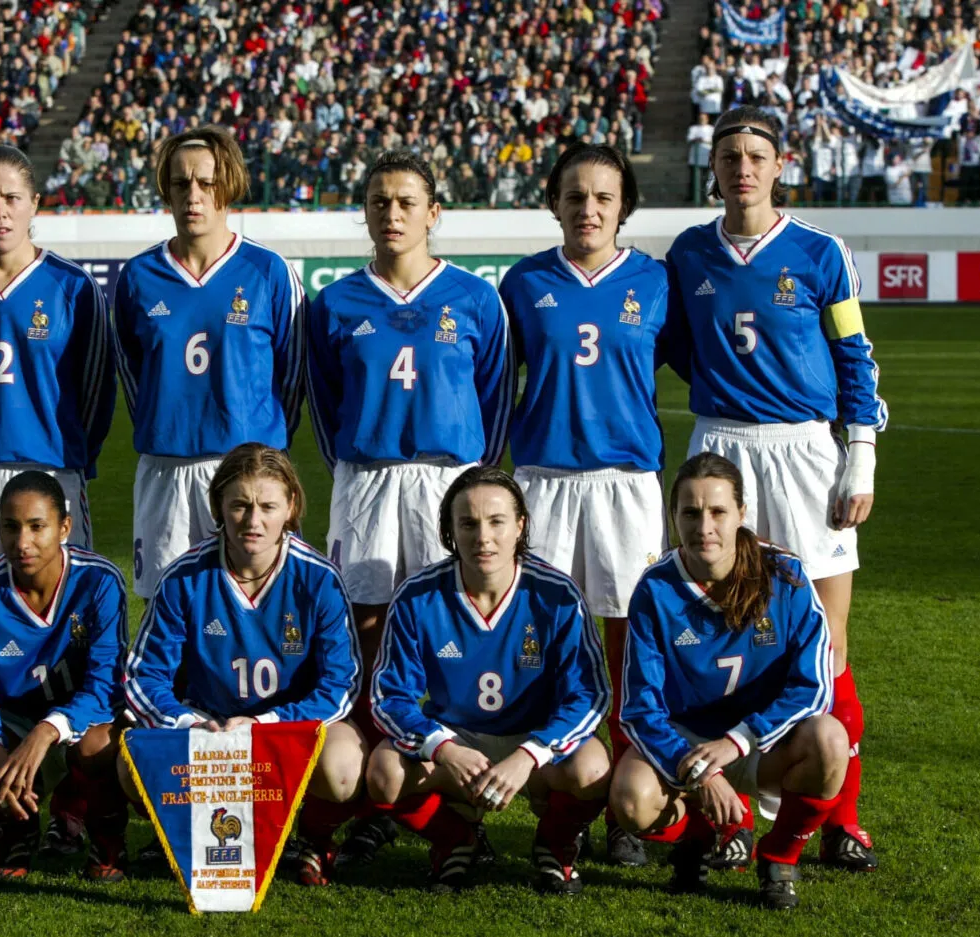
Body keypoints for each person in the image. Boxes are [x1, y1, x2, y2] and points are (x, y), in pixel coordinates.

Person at [666, 105, 886, 872]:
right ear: (714, 165)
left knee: (827, 636)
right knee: (723, 626)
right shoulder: (688, 253)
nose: (742, 166)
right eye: (729, 154)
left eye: (756, 152)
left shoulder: (823, 252)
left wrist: (859, 452)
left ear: (779, 162)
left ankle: (839, 816)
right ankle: (722, 809)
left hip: (801, 451)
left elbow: (855, 355)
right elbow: (672, 349)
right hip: (721, 446)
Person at [306, 149, 513, 865]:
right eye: (378, 200)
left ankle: (447, 790)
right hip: (365, 480)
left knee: (440, 633)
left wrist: (466, 479)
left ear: (433, 212)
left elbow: (495, 403)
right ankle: (373, 798)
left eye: (405, 201)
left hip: (445, 481)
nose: (391, 214)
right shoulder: (334, 303)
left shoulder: (476, 299)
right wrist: (362, 461)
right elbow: (326, 408)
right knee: (364, 636)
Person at [498, 143, 677, 870]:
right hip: (542, 481)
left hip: (626, 484)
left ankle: (628, 803)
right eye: (575, 196)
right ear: (555, 203)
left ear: (623, 206)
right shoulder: (523, 282)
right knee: (541, 642)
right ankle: (559, 801)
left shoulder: (656, 283)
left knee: (629, 645)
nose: (589, 209)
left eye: (603, 197)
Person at [610, 452, 846, 910]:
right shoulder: (654, 590)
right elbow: (640, 710)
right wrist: (701, 771)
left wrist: (739, 741)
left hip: (763, 742)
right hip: (687, 744)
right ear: (673, 517)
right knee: (630, 800)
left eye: (718, 512)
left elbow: (813, 687)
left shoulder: (786, 576)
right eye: (690, 513)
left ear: (742, 513)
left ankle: (779, 858)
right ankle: (695, 841)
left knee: (830, 742)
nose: (705, 527)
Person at [123, 443, 365, 887]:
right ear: (218, 506)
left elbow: (341, 683)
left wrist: (269, 723)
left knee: (343, 763)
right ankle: (181, 832)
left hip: (285, 727)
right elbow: (144, 675)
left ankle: (308, 836)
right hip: (208, 724)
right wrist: (188, 723)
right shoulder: (184, 577)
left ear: (290, 507)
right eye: (240, 505)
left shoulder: (318, 578)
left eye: (268, 506)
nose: (253, 521)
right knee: (130, 761)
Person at [367, 467, 611, 895]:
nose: (483, 537)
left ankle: (554, 844)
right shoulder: (418, 596)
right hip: (458, 743)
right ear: (449, 531)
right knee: (385, 770)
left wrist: (530, 754)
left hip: (533, 747)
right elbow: (390, 696)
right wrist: (441, 748)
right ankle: (455, 839)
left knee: (592, 767)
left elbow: (589, 695)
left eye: (497, 521)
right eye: (468, 523)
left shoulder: (556, 594)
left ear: (520, 525)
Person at [111, 126, 304, 600]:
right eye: (181, 184)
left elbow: (294, 377)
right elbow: (134, 376)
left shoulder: (269, 271)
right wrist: (169, 426)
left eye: (206, 183)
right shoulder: (138, 277)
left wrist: (262, 454)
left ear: (230, 185)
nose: (193, 196)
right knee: (166, 607)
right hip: (166, 471)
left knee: (258, 604)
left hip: (247, 474)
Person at [0, 143, 114, 614]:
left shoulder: (73, 289)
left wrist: (69, 450)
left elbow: (96, 390)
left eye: (11, 198)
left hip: (50, 468)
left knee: (60, 606)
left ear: (35, 204)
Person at [0, 472, 128, 881]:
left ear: (65, 527)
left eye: (37, 527)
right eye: (10, 527)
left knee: (101, 744)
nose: (22, 542)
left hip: (75, 723)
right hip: (12, 723)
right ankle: (17, 829)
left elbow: (106, 685)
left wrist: (47, 731)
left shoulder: (99, 581)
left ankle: (107, 837)